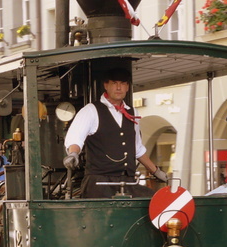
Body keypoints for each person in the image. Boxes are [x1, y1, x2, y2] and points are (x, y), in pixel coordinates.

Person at [63, 67, 167, 197]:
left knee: (155, 202)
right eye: (114, 83)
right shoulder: (91, 110)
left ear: (127, 87)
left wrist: (156, 171)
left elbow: (137, 148)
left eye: (123, 83)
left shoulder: (133, 113)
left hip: (128, 182)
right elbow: (76, 138)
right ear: (106, 85)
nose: (119, 88)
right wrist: (73, 154)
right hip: (99, 183)